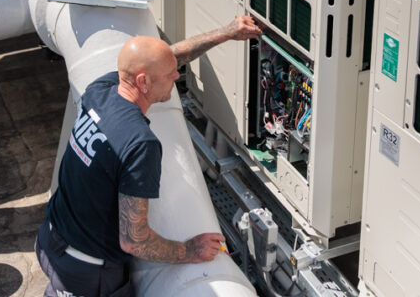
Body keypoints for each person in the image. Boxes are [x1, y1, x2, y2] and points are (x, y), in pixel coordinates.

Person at [35, 15, 262, 297]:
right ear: (143, 82)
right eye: (171, 74)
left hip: (50, 239)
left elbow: (166, 58)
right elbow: (134, 240)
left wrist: (225, 34)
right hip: (86, 275)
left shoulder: (100, 90)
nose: (177, 76)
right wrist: (190, 249)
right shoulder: (140, 144)